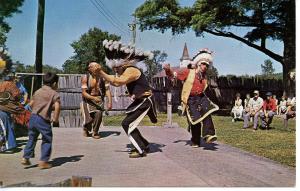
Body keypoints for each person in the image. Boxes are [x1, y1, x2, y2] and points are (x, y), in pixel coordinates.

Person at [98, 39, 157, 158]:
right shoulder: (128, 70)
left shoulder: (131, 70)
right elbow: (117, 82)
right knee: (128, 123)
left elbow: (119, 81)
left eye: (116, 68)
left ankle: (140, 150)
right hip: (141, 101)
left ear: (122, 64)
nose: (116, 71)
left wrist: (101, 72)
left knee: (127, 124)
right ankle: (143, 144)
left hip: (145, 101)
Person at [164, 48, 219, 148]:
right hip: (190, 99)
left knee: (208, 111)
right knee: (195, 120)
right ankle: (195, 140)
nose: (205, 66)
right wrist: (168, 70)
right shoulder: (188, 72)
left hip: (201, 98)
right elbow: (174, 76)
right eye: (203, 64)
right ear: (198, 63)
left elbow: (204, 89)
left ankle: (209, 135)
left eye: (207, 65)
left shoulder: (204, 78)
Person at [21, 72, 60, 169]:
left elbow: (31, 103)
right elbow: (58, 106)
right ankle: (43, 161)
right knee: (47, 139)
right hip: (43, 119)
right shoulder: (54, 93)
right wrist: (55, 119)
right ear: (54, 84)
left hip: (33, 118)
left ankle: (26, 157)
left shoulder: (37, 91)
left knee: (32, 138)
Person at [81, 62, 112, 139]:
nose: (96, 68)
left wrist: (110, 102)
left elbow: (107, 90)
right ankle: (86, 128)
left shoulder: (103, 77)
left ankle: (95, 132)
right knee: (89, 119)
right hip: (88, 99)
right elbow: (84, 93)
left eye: (97, 66)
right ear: (89, 69)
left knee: (98, 114)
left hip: (99, 98)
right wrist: (93, 98)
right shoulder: (85, 77)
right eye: (94, 67)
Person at [0, 76, 24, 152]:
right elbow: (18, 95)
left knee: (5, 127)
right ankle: (9, 145)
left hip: (4, 111)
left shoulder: (2, 84)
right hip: (4, 111)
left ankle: (9, 145)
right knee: (6, 127)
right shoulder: (11, 85)